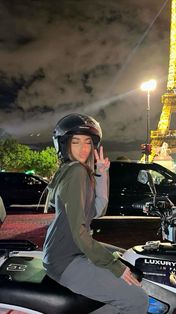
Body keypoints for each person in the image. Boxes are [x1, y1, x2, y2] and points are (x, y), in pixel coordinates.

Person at [43, 113, 149, 314]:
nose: (83, 148)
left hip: (64, 250)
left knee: (127, 257)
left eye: (88, 142)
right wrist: (115, 266)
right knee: (138, 299)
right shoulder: (76, 172)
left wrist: (101, 172)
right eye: (76, 142)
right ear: (64, 145)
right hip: (66, 258)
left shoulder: (74, 170)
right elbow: (79, 232)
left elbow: (98, 210)